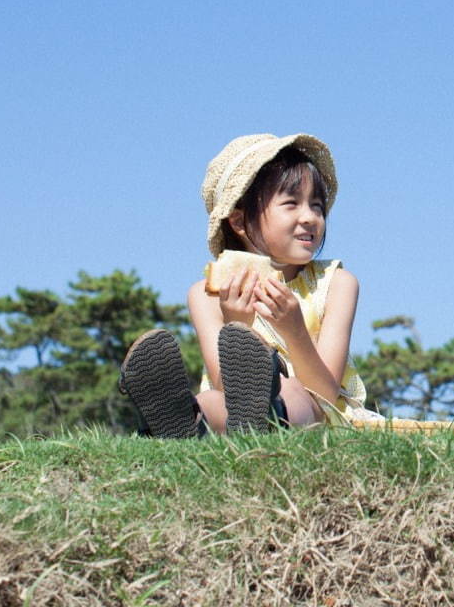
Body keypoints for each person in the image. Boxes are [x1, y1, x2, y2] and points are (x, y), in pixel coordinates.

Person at [119, 132, 371, 436]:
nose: (310, 217)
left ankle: (267, 416)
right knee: (210, 400)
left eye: (316, 206)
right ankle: (181, 421)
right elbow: (228, 389)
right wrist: (238, 323)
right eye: (291, 203)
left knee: (291, 391)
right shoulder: (207, 295)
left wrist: (295, 331)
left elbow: (326, 394)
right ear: (238, 222)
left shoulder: (337, 284)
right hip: (236, 413)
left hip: (319, 415)